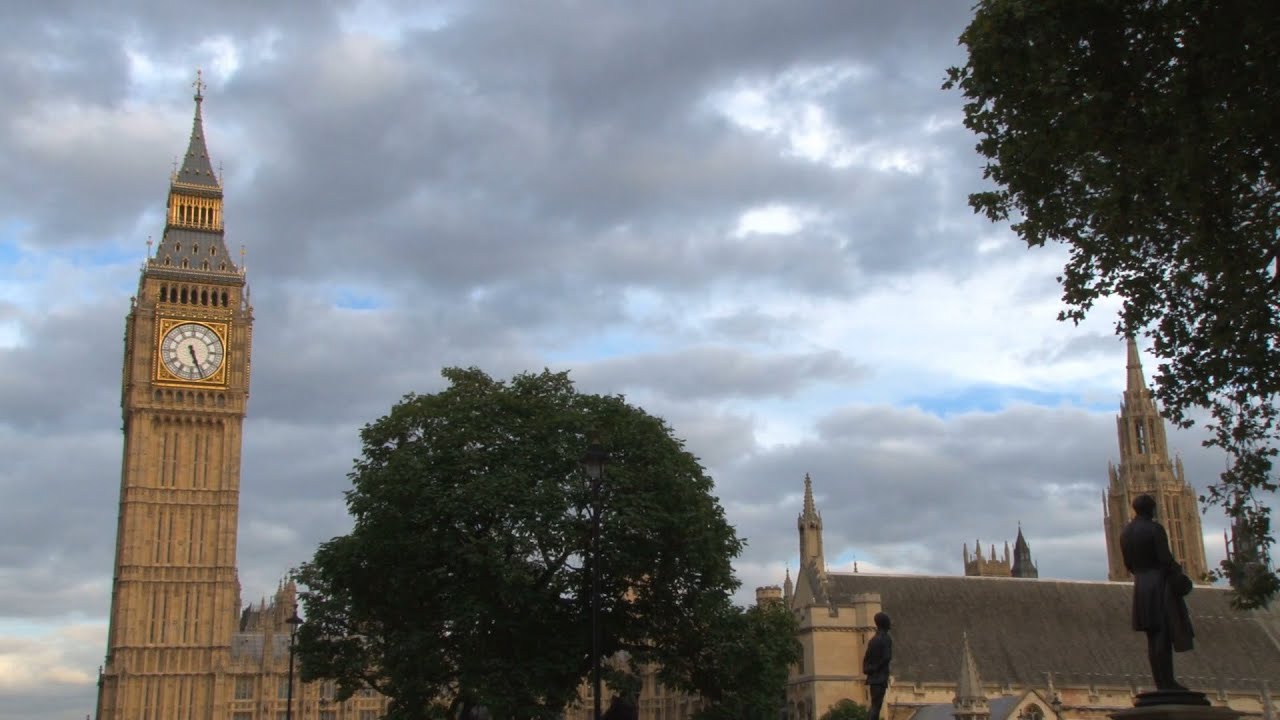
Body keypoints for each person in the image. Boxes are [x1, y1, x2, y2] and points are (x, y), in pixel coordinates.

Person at [1119, 494, 1194, 691]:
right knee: (1163, 635)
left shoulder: (1125, 532)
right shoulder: (1154, 529)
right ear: (1151, 509)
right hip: (1159, 585)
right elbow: (1165, 559)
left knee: (1152, 638)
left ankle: (1161, 682)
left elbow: (1128, 564)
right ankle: (1167, 682)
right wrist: (1180, 577)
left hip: (1141, 586)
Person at [862, 611, 893, 720]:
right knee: (876, 706)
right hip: (880, 677)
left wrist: (869, 669)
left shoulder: (873, 640)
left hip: (873, 678)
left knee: (874, 705)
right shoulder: (885, 638)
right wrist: (877, 667)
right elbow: (887, 657)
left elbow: (866, 660)